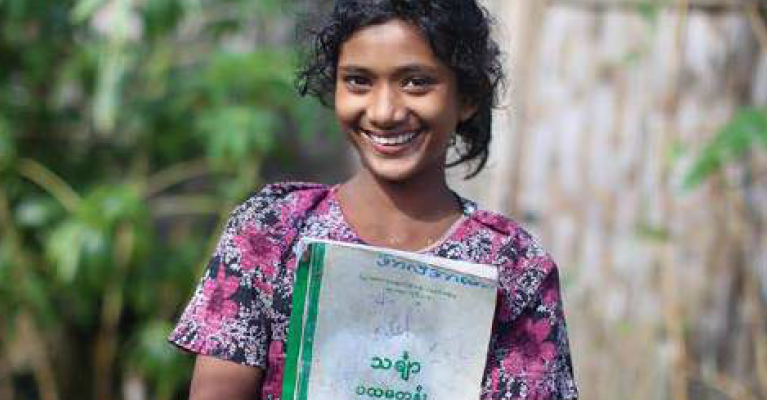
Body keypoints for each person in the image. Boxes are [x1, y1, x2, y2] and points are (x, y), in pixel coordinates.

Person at [168, 0, 579, 399]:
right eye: (358, 80)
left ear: (468, 97)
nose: (384, 111)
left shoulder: (515, 267)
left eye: (416, 81)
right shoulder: (270, 232)